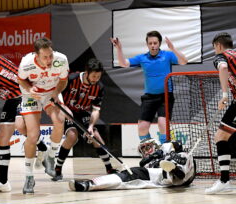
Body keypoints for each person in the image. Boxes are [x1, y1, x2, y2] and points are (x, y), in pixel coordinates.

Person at [110, 31, 187, 144]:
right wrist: (119, 48)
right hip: (149, 97)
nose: (153, 45)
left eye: (155, 43)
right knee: (142, 127)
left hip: (165, 96)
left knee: (162, 123)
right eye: (150, 43)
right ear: (147, 44)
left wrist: (173, 48)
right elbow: (124, 63)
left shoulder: (167, 55)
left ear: (159, 43)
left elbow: (184, 61)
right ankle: (151, 153)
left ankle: (165, 152)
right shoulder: (142, 58)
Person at [17, 37, 69, 194]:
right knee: (33, 136)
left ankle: (50, 157)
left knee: (60, 120)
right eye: (45, 57)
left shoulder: (61, 60)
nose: (49, 59)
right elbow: (20, 80)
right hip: (31, 95)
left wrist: (56, 92)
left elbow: (63, 80)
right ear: (36, 55)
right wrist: (29, 88)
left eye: (50, 55)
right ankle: (29, 177)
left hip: (51, 92)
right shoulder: (26, 63)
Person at [52, 58, 117, 181]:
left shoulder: (99, 87)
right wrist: (64, 108)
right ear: (86, 73)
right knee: (72, 136)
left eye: (98, 76)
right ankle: (58, 169)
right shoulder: (71, 79)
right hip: (66, 110)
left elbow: (96, 110)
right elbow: (56, 94)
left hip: (81, 112)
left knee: (95, 136)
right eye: (93, 76)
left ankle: (109, 168)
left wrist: (91, 126)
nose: (96, 79)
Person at [0, 53, 47, 193]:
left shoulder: (0, 67)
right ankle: (3, 181)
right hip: (12, 98)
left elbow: (21, 81)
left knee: (20, 126)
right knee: (2, 137)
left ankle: (41, 147)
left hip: (24, 94)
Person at [68, 140, 196, 192]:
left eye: (148, 147)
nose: (146, 151)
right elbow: (144, 168)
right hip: (163, 178)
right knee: (128, 174)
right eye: (143, 150)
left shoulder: (166, 148)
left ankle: (175, 170)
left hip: (185, 174)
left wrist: (170, 152)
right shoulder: (146, 163)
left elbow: (177, 145)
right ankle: (89, 184)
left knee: (183, 157)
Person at [205, 32, 236, 194]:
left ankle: (224, 180)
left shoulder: (221, 57)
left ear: (218, 45)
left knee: (220, 137)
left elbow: (223, 68)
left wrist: (224, 94)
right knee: (223, 136)